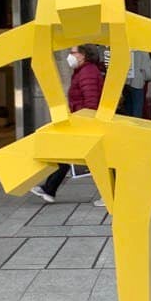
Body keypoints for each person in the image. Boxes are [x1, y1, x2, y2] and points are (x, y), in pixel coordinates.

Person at [30, 44, 106, 204]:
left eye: (72, 52)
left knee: (99, 161)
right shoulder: (83, 71)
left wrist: (83, 122)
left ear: (83, 55)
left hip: (85, 121)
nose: (69, 56)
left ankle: (110, 194)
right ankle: (49, 189)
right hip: (81, 120)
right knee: (67, 153)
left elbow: (91, 101)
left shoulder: (87, 73)